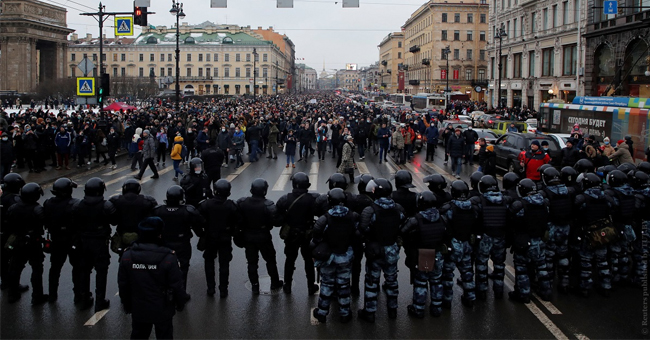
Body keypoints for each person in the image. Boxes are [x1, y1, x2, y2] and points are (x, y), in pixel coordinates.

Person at [118, 217, 188, 340]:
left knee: (139, 335)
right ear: (159, 235)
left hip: (139, 307)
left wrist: (127, 304)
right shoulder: (168, 256)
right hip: (163, 307)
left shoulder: (128, 256)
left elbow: (123, 284)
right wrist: (180, 302)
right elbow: (176, 284)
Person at [357, 178, 406, 323]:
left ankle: (370, 312)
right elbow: (404, 225)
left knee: (372, 282)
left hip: (375, 250)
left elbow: (362, 229)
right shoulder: (398, 208)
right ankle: (392, 310)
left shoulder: (370, 210)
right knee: (392, 280)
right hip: (391, 249)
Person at [311, 188, 360, 323]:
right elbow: (357, 234)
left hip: (328, 257)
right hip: (345, 256)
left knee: (326, 285)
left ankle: (321, 312)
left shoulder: (324, 218)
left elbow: (316, 238)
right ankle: (344, 313)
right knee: (344, 285)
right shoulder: (353, 216)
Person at [72, 177, 116, 311]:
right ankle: (100, 300)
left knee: (84, 271)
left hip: (83, 241)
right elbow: (114, 221)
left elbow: (74, 223)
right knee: (101, 271)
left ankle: (84, 299)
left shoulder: (78, 205)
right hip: (100, 242)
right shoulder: (106, 205)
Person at [400, 191, 447, 318]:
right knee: (436, 281)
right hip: (438, 253)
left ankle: (419, 309)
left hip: (425, 254)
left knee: (421, 282)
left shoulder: (416, 219)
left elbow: (403, 232)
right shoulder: (442, 217)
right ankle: (437, 307)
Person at [152, 185, 205, 292]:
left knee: (163, 268)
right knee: (183, 269)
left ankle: (165, 291)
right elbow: (198, 226)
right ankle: (181, 293)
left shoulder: (158, 211)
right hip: (182, 244)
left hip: (164, 245)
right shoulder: (188, 211)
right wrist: (202, 237)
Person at [236, 179, 283, 294]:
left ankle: (255, 286)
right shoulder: (268, 205)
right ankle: (275, 282)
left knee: (252, 262)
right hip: (263, 237)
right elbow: (277, 221)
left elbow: (236, 218)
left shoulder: (242, 202)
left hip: (248, 236)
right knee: (270, 260)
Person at [276, 172, 320, 295]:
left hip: (291, 235)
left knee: (290, 259)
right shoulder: (313, 198)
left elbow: (276, 217)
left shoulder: (285, 198)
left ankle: (287, 285)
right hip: (307, 234)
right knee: (309, 261)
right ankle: (311, 287)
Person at [508, 178, 551, 303]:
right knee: (542, 268)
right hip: (540, 241)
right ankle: (546, 292)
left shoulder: (520, 206)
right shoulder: (544, 203)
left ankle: (524, 294)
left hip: (524, 242)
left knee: (522, 269)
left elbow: (512, 221)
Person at [573, 173, 615, 297]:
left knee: (586, 262)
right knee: (603, 261)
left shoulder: (582, 198)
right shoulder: (606, 197)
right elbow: (613, 209)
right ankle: (606, 286)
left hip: (588, 233)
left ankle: (585, 288)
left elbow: (577, 214)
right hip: (603, 232)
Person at [6, 183, 47, 305]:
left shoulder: (13, 207)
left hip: (17, 241)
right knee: (37, 269)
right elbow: (45, 222)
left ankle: (12, 294)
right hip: (33, 243)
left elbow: (8, 222)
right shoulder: (37, 209)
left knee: (15, 268)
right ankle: (37, 296)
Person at [439, 180, 478, 309]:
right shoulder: (473, 207)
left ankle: (447, 300)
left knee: (447, 275)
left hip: (452, 244)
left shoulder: (448, 208)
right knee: (467, 273)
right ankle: (470, 298)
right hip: (466, 243)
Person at [197, 180, 239, 298]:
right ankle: (223, 290)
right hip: (225, 238)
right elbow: (238, 222)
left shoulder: (205, 204)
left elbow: (197, 219)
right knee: (224, 264)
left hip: (210, 238)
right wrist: (233, 233)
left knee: (209, 262)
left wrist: (201, 233)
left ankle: (211, 288)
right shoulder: (232, 205)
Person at [43, 178, 81, 302]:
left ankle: (52, 294)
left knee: (55, 268)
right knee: (77, 267)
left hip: (56, 239)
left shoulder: (48, 203)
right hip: (72, 240)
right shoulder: (75, 204)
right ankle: (78, 295)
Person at [539, 167, 575, 294]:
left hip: (552, 227)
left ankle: (547, 285)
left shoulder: (546, 193)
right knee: (563, 256)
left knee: (548, 257)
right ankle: (564, 282)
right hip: (565, 228)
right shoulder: (568, 191)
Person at [109, 179, 157, 257]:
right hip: (141, 236)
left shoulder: (116, 200)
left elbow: (113, 221)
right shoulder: (147, 201)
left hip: (122, 235)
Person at [1, 173, 26, 291]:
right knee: (15, 261)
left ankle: (5, 282)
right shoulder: (15, 199)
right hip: (11, 234)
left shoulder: (2, 197)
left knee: (3, 260)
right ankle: (14, 286)